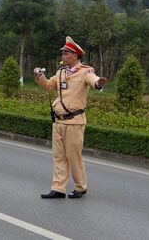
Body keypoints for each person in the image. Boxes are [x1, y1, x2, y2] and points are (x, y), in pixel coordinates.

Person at [34, 36, 107, 199]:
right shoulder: (61, 72)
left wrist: (99, 83)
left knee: (74, 157)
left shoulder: (85, 71)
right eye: (63, 53)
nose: (63, 56)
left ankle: (81, 187)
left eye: (66, 53)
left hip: (74, 121)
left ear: (75, 55)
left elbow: (93, 80)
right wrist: (40, 76)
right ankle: (58, 188)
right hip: (58, 120)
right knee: (58, 156)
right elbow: (48, 86)